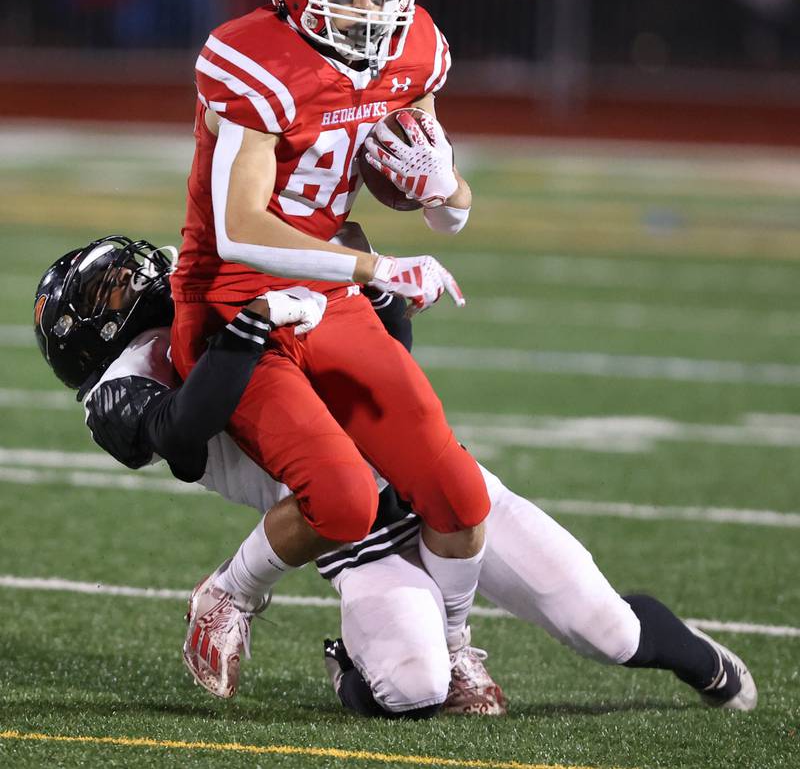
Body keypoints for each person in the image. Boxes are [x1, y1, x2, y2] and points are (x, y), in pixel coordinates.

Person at [34, 234, 757, 718]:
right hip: (349, 528)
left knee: (610, 631)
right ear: (84, 335)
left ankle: (696, 656)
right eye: (108, 292)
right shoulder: (126, 386)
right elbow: (183, 433)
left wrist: (374, 285)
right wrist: (255, 325)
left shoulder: (223, 274)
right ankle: (347, 655)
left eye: (121, 276)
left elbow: (386, 349)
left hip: (431, 483)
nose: (132, 283)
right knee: (413, 687)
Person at [170, 0, 492, 677]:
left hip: (329, 294)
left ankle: (453, 643)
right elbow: (243, 228)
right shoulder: (254, 56)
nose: (368, 2)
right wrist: (378, 265)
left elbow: (448, 211)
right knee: (345, 499)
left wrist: (441, 183)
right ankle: (229, 594)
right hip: (232, 302)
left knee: (459, 493)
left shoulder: (412, 47)